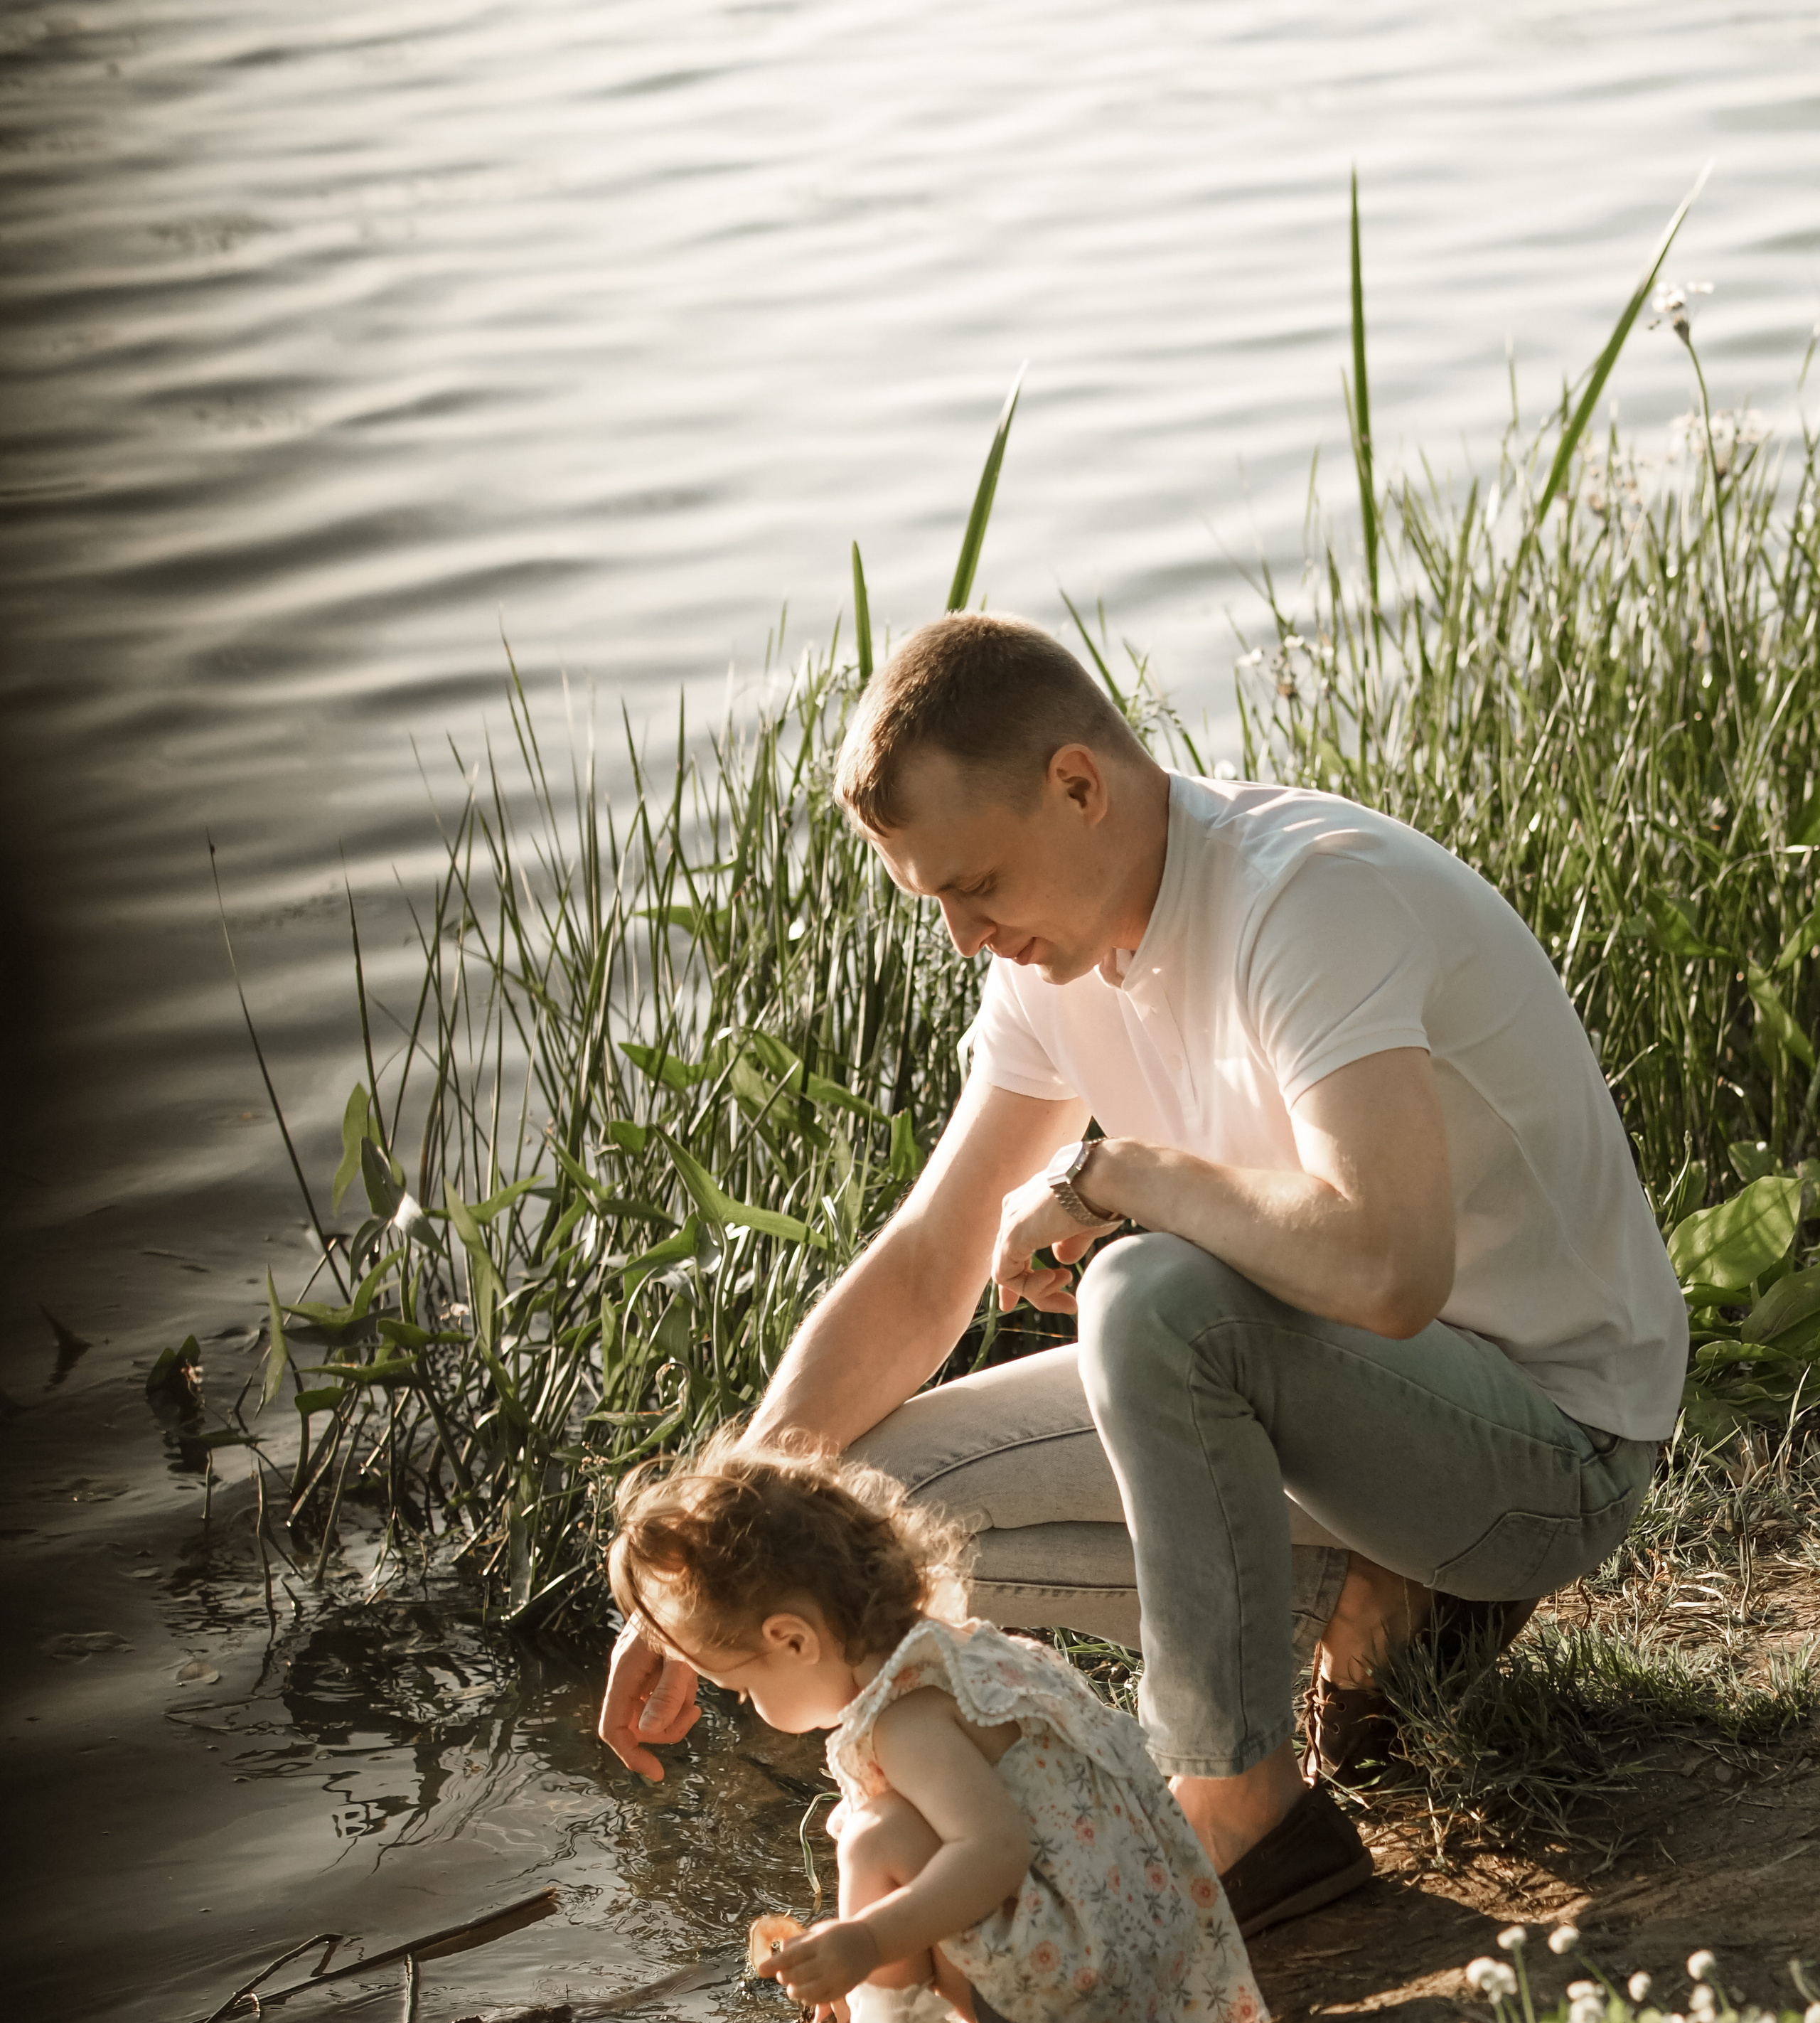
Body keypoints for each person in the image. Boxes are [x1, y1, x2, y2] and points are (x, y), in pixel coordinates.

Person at [599, 613, 1688, 1931]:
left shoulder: (1306, 897)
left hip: (1544, 1447)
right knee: (873, 1519)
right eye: (931, 897)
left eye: (975, 883)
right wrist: (712, 1561)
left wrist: (1122, 1177)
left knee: (1147, 1291)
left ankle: (1241, 1804)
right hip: (1343, 1423)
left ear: (1078, 784)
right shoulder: (1052, 957)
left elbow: (1391, 1268)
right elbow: (931, 1258)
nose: (959, 933)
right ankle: (1372, 1611)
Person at [607, 1433, 1267, 2023]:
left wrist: (864, 1941)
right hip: (1153, 1981)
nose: (748, 1703)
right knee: (893, 1825)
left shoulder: (905, 1718)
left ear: (793, 1639)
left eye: (741, 1686)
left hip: (1073, 2020)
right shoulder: (971, 1652)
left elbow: (994, 1850)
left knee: (876, 1835)